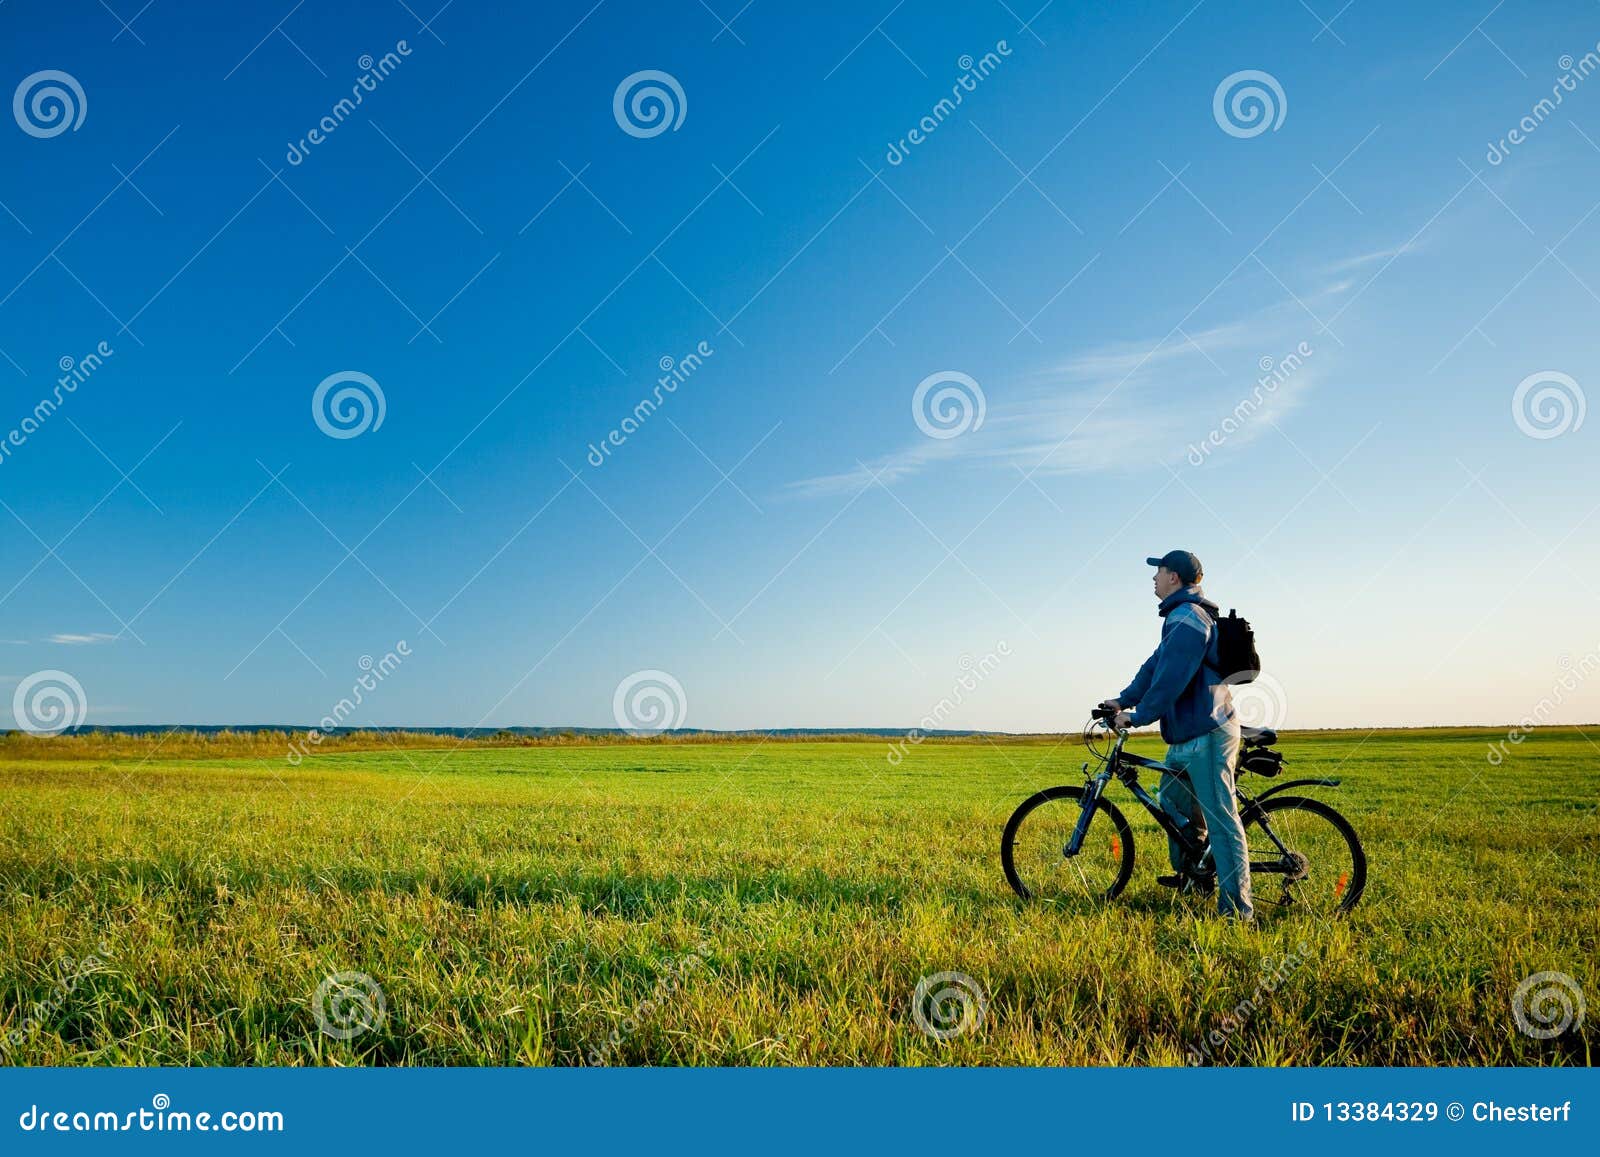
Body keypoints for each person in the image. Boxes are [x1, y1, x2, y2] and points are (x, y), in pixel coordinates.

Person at [1098, 551, 1252, 921]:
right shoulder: (1179, 618)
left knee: (1220, 818)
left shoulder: (1188, 619)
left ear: (1175, 578)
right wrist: (1123, 699)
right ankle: (1196, 875)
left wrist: (1138, 716)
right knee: (1173, 801)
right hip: (1185, 737)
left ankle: (1236, 912)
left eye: (1159, 571)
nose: (1154, 578)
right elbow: (1154, 667)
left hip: (1208, 732)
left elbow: (1172, 679)